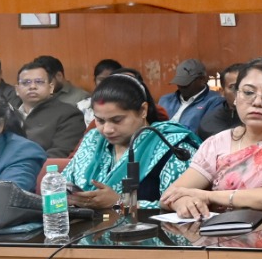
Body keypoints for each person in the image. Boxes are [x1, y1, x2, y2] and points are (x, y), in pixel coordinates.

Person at [159, 55, 262, 218]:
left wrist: (207, 196)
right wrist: (184, 202)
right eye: (248, 92)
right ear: (236, 97)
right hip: (220, 231)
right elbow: (170, 195)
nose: (257, 102)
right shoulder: (218, 142)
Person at [62, 72, 197, 212]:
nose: (107, 129)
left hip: (153, 225)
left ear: (143, 110)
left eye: (117, 120)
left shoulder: (172, 146)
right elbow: (62, 185)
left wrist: (120, 203)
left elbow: (181, 205)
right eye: (100, 120)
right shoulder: (93, 139)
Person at [14, 61, 87, 156]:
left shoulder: (69, 114)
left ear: (51, 87)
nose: (32, 86)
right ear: (17, 89)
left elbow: (61, 153)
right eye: (26, 83)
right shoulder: (7, 115)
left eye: (39, 82)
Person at [157, 59, 228, 137]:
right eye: (179, 82)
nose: (181, 86)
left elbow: (206, 132)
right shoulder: (166, 100)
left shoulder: (215, 102)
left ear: (202, 79)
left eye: (186, 83)